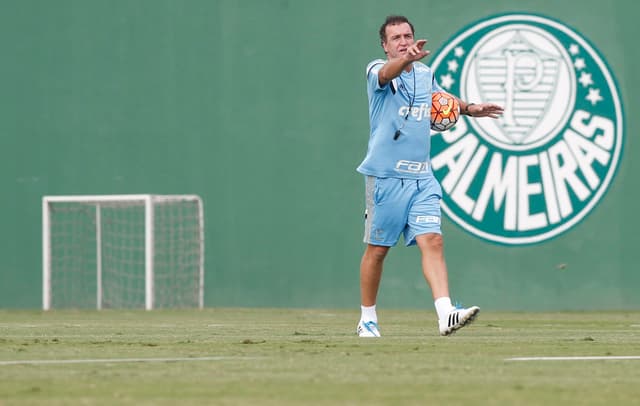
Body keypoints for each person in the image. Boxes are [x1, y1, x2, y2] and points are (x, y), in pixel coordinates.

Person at [356, 15, 504, 337]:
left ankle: (445, 312)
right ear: (384, 45)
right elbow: (386, 72)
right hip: (386, 178)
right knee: (378, 250)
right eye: (395, 38)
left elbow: (442, 101)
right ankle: (367, 317)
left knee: (433, 240)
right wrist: (403, 60)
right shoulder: (376, 71)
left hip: (423, 178)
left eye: (407, 35)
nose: (403, 41)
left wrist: (469, 108)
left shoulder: (424, 74)